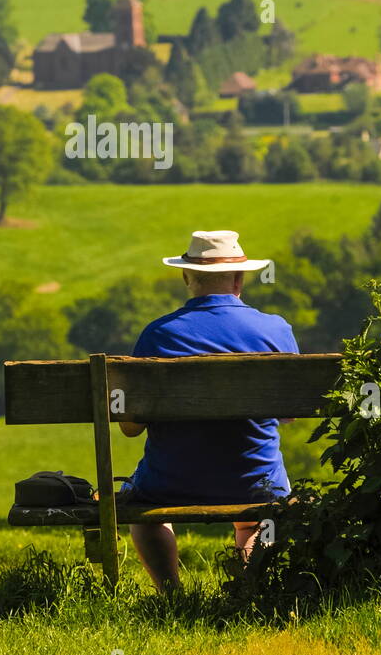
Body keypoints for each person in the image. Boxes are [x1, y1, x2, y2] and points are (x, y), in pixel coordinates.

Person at [118, 228, 298, 591]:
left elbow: (131, 427)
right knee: (254, 522)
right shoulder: (274, 329)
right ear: (238, 278)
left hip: (170, 483)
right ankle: (247, 591)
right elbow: (288, 414)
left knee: (145, 513)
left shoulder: (158, 334)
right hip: (256, 482)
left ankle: (171, 594)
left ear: (187, 277)